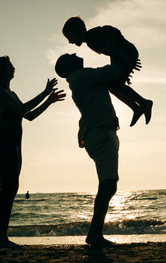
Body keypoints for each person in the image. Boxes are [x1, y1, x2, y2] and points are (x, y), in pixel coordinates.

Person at [0, 56, 65, 247]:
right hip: (4, 144)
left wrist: (49, 101)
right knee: (6, 187)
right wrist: (45, 92)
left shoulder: (10, 93)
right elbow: (22, 110)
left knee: (11, 187)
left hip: (14, 144)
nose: (14, 68)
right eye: (10, 66)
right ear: (1, 71)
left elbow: (30, 116)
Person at [55, 53, 124, 248]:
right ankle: (94, 234)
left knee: (108, 184)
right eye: (71, 55)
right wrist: (115, 51)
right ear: (69, 65)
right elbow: (113, 71)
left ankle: (95, 233)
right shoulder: (83, 76)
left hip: (99, 133)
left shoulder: (80, 78)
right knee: (108, 185)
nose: (76, 53)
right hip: (100, 133)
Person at [62, 16, 153, 127]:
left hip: (125, 54)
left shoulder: (92, 39)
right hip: (124, 56)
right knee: (112, 85)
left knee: (114, 85)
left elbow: (113, 46)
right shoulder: (91, 39)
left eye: (69, 37)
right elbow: (111, 51)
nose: (70, 42)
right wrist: (120, 68)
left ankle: (143, 104)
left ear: (76, 32)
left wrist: (127, 61)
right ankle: (137, 108)